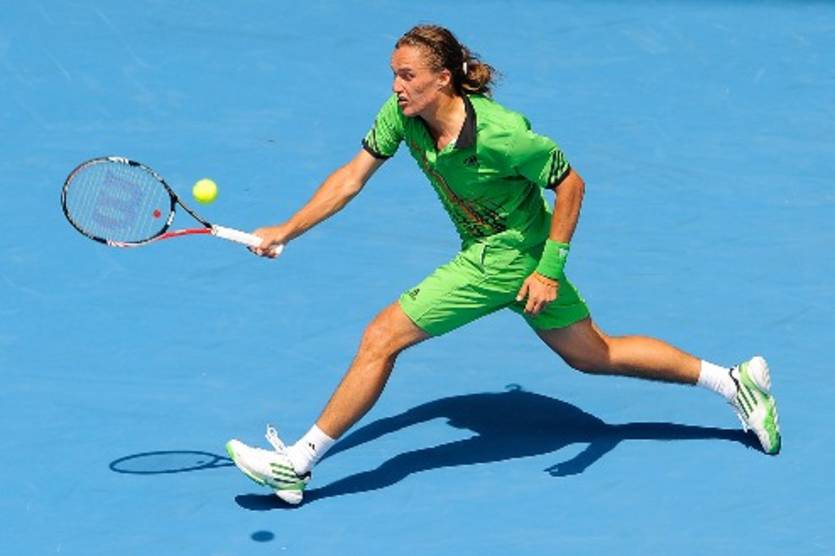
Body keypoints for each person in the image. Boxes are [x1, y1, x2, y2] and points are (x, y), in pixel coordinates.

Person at [225, 24, 781, 505]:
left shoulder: (504, 134)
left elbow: (571, 184)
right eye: (393, 75)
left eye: (407, 76)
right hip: (505, 252)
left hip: (506, 256)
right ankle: (733, 382)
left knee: (381, 338)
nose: (396, 86)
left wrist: (548, 269)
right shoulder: (402, 115)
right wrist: (287, 229)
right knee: (594, 354)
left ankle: (297, 462)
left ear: (443, 78)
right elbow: (351, 178)